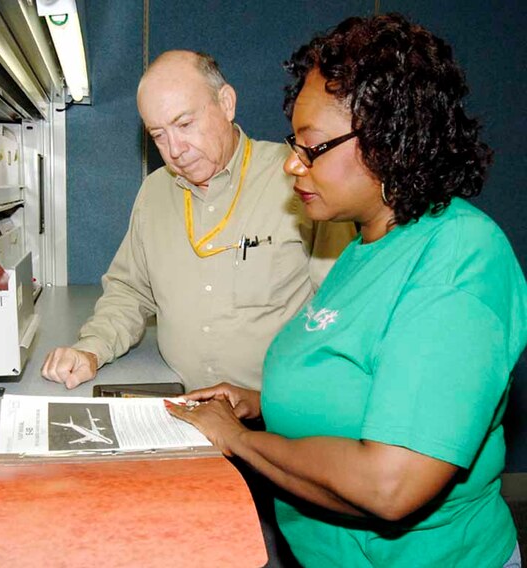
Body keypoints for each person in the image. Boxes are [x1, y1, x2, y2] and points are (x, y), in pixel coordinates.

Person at [167, 14, 526, 567]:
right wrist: (259, 405)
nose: (292, 164)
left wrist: (237, 440)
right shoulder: (365, 244)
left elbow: (391, 485)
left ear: (387, 142)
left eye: (311, 147)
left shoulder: (460, 260)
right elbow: (359, 386)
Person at [41, 50, 355, 391]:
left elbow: (339, 307)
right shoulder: (154, 193)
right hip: (184, 408)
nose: (175, 149)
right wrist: (91, 349)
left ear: (226, 103)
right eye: (158, 135)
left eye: (185, 124)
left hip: (276, 416)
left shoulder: (300, 180)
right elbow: (129, 292)